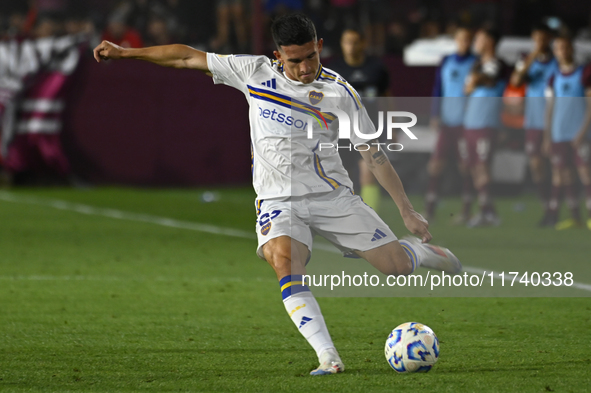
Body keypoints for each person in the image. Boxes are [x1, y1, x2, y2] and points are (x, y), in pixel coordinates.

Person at [92, 13, 462, 376]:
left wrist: (408, 211)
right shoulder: (253, 72)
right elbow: (187, 56)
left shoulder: (339, 93)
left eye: (311, 57)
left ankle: (423, 253)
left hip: (332, 197)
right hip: (277, 201)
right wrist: (126, 53)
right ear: (277, 57)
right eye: (295, 61)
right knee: (285, 262)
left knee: (393, 266)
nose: (305, 68)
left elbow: (374, 155)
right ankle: (328, 357)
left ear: (319, 46)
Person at [329, 27, 390, 211]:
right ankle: (346, 215)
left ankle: (372, 219)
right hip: (342, 131)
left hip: (369, 130)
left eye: (355, 42)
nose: (351, 46)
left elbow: (387, 97)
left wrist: (392, 126)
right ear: (342, 44)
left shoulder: (376, 68)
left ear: (363, 43)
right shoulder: (335, 71)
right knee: (343, 175)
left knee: (369, 172)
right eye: (347, 42)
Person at [426, 26, 477, 223]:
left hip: (466, 123)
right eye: (461, 39)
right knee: (436, 165)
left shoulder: (476, 63)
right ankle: (429, 209)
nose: (464, 43)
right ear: (456, 40)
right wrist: (434, 113)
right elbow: (438, 88)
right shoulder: (447, 61)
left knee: (466, 166)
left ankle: (466, 211)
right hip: (447, 122)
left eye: (468, 39)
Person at [510, 23, 558, 227]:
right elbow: (516, 80)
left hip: (556, 122)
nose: (539, 42)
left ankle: (557, 210)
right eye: (536, 38)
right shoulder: (526, 60)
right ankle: (547, 207)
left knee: (557, 166)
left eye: (543, 38)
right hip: (533, 121)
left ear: (550, 39)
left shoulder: (557, 62)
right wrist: (532, 57)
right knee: (537, 165)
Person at [544, 33, 591, 231]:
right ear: (554, 52)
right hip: (558, 133)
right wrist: (547, 135)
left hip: (578, 134)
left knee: (585, 173)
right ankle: (575, 217)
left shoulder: (584, 73)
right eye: (558, 48)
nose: (562, 52)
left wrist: (582, 133)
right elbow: (550, 107)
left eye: (565, 47)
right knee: (563, 174)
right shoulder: (553, 76)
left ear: (571, 49)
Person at [463, 27, 508, 227]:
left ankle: (484, 213)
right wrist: (475, 81)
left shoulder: (499, 65)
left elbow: (487, 81)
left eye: (479, 38)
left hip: (487, 122)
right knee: (473, 167)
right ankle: (488, 211)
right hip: (471, 122)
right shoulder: (476, 65)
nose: (476, 41)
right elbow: (468, 88)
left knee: (482, 166)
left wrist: (476, 81)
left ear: (490, 41)